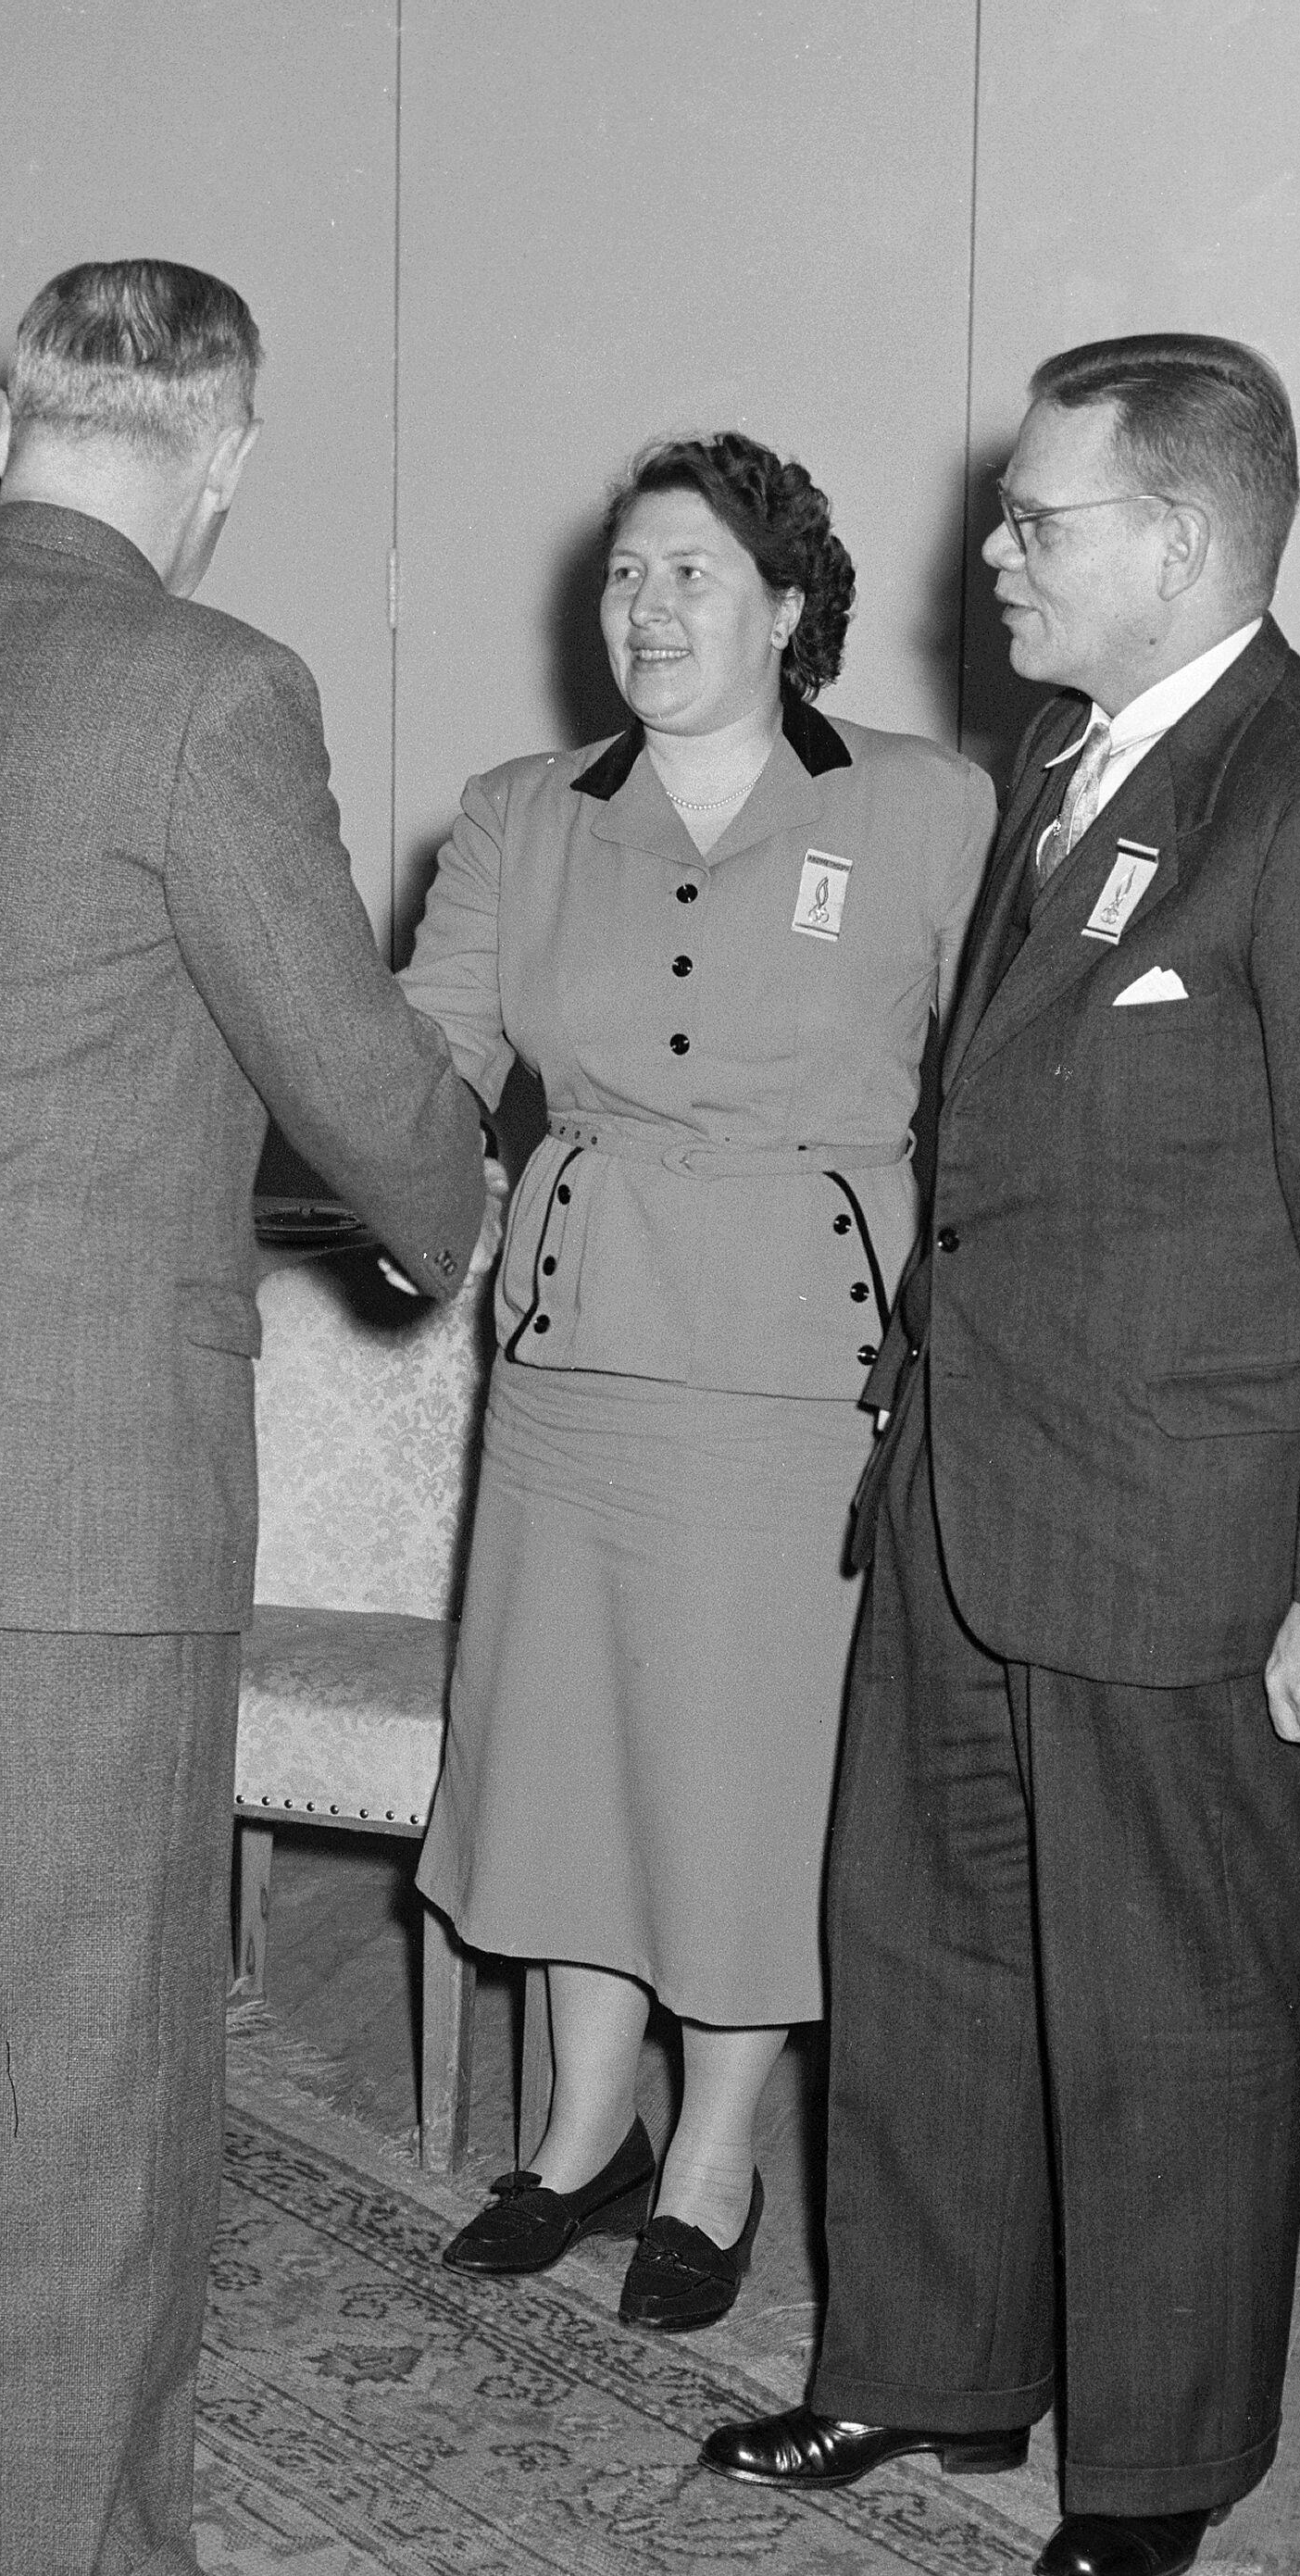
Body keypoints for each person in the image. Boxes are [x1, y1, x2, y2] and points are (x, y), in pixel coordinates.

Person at [0, 259, 486, 2576]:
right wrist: (447, 1207)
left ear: (2, 423)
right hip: (71, 1475)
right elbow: (349, 1067)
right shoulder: (208, 689)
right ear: (222, 451)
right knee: (79, 2027)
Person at [704, 336, 1300, 2576]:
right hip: (966, 1489)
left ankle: (1156, 2450)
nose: (989, 552)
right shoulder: (1062, 759)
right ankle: (924, 2363)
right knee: (923, 1946)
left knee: (1166, 2001)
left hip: (1178, 1533)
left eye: (1038, 520)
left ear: (1180, 541)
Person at [405, 431, 996, 2331]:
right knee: (570, 1738)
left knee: (744, 1763)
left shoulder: (925, 807)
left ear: (787, 606)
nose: (646, 610)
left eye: (692, 576)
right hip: (575, 1343)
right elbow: (428, 1050)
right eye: (624, 574)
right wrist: (402, 1161)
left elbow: (996, 1083)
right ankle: (582, 2129)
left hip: (799, 1356)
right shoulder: (520, 811)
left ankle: (714, 2154)